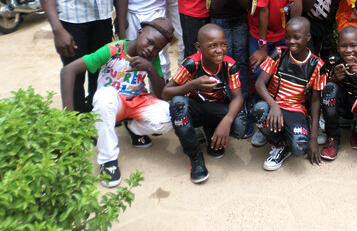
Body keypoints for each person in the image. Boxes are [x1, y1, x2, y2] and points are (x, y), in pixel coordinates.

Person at [60, 17, 175, 188]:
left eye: (156, 48)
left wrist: (150, 69)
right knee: (103, 97)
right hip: (112, 104)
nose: (150, 49)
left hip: (135, 102)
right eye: (149, 42)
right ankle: (108, 161)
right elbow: (68, 71)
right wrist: (68, 118)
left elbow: (161, 95)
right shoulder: (113, 49)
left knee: (170, 116)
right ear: (140, 32)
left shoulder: (152, 58)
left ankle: (134, 128)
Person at [163, 23, 247, 184]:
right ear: (198, 47)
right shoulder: (191, 64)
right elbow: (166, 93)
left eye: (223, 44)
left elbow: (238, 98)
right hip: (194, 108)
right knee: (178, 104)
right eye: (212, 45)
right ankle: (195, 157)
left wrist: (226, 122)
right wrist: (193, 85)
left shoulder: (229, 65)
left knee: (240, 125)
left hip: (216, 108)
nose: (219, 50)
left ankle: (212, 131)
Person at [247, 0, 303, 147]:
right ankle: (261, 121)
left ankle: (280, 115)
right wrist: (262, 47)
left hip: (281, 34)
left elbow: (295, 15)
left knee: (280, 75)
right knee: (257, 72)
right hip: (259, 34)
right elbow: (263, 10)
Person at [253, 17, 326, 170]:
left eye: (296, 37)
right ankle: (279, 145)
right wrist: (273, 105)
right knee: (260, 110)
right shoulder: (279, 53)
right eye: (287, 37)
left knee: (300, 148)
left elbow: (315, 101)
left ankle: (290, 138)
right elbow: (259, 83)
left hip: (295, 109)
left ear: (308, 37)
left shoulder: (317, 65)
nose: (291, 41)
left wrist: (313, 138)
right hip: (274, 107)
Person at [205, 0, 256, 107]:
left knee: (241, 61)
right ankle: (225, 102)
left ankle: (244, 104)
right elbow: (215, 6)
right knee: (223, 61)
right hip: (220, 19)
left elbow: (248, 4)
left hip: (241, 18)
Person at [320, 26, 357, 159]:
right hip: (342, 105)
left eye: (353, 46)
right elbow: (320, 90)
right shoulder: (333, 62)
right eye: (343, 46)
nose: (348, 51)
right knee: (330, 87)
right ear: (337, 46)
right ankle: (333, 137)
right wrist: (334, 78)